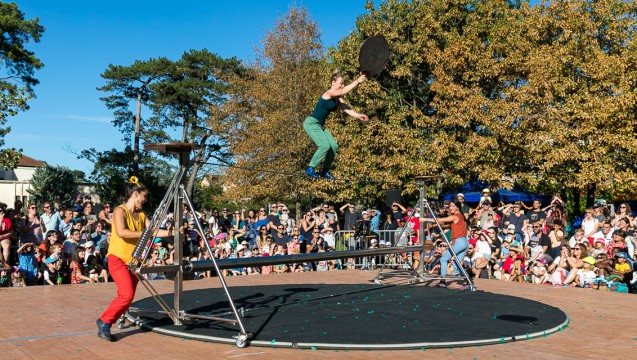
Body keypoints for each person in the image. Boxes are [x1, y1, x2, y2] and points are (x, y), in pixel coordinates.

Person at [96, 176, 173, 342]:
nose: (145, 200)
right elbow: (122, 232)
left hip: (134, 260)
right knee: (126, 294)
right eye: (144, 196)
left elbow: (152, 231)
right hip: (117, 258)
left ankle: (110, 319)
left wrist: (172, 233)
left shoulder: (141, 214)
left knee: (126, 296)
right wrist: (145, 233)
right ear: (136, 194)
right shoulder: (119, 211)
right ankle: (104, 321)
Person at [304, 71, 368, 179]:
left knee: (333, 146)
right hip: (311, 123)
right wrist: (357, 81)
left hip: (320, 125)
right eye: (340, 83)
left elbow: (346, 109)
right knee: (324, 145)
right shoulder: (329, 93)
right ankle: (310, 168)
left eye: (343, 84)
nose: (342, 86)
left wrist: (358, 115)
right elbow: (343, 91)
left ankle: (325, 171)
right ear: (333, 83)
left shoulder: (338, 99)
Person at [420, 199, 469, 288]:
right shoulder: (461, 216)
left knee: (443, 259)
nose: (451, 208)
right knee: (457, 264)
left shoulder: (455, 216)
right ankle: (468, 282)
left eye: (453, 206)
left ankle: (442, 281)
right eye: (450, 206)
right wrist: (433, 226)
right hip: (465, 242)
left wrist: (425, 219)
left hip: (459, 242)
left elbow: (441, 220)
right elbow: (447, 225)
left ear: (458, 207)